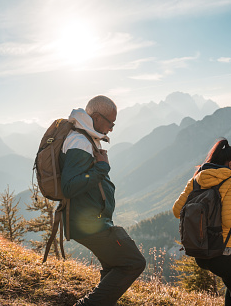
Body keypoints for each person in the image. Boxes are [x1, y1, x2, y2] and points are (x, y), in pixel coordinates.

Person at [60, 95, 146, 306]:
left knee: (112, 268)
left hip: (93, 220)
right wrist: (102, 168)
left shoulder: (85, 138)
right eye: (111, 122)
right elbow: (69, 187)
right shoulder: (79, 142)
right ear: (97, 117)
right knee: (134, 262)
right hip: (88, 224)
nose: (112, 128)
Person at [172, 138, 231, 306]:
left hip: (200, 252)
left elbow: (177, 210)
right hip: (224, 251)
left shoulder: (196, 180)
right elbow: (230, 219)